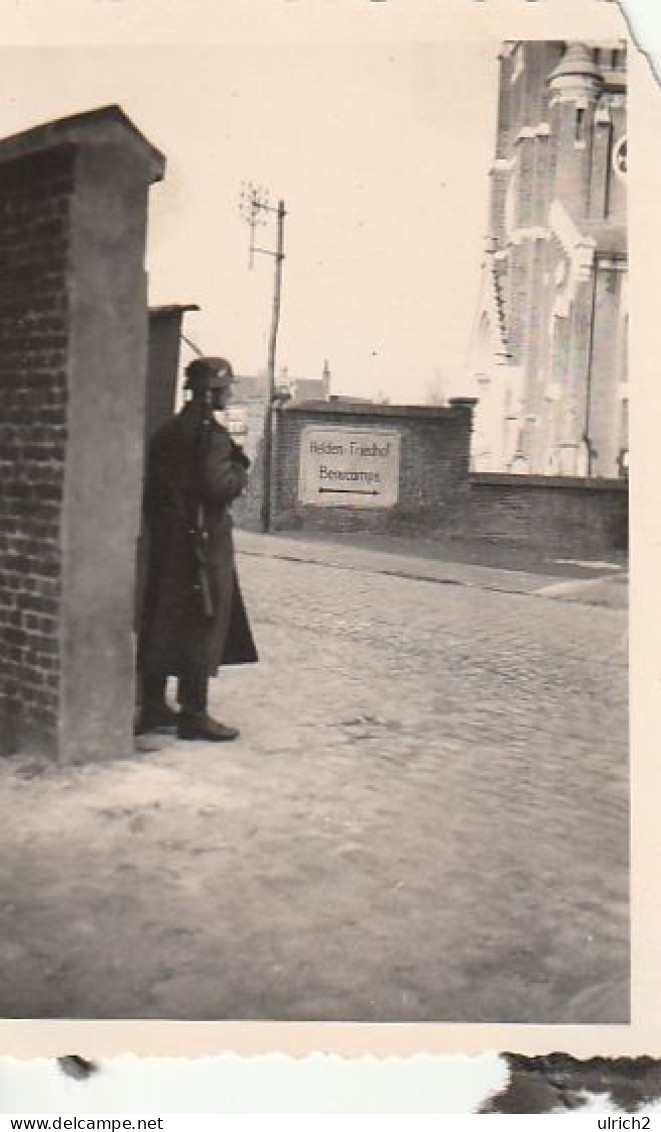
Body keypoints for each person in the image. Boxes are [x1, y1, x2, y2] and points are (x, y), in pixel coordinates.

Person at [136, 355, 258, 741]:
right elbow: (218, 485)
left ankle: (153, 706)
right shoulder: (212, 435)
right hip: (204, 546)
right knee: (202, 623)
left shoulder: (169, 430)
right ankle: (194, 714)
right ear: (211, 391)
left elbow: (152, 486)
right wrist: (240, 468)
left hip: (169, 544)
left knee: (162, 618)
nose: (229, 395)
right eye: (226, 389)